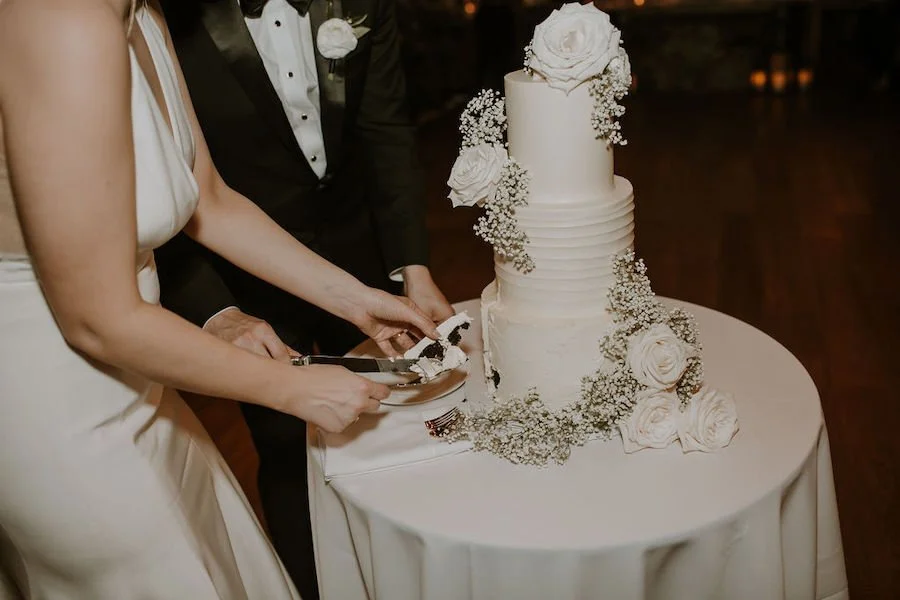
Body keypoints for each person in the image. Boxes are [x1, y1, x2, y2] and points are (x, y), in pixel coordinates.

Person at [0, 0, 440, 597]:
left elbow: (209, 200)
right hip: (59, 399)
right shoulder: (62, 19)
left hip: (141, 376)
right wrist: (290, 387)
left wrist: (355, 299)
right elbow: (95, 320)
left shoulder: (144, 13)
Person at [155, 1, 454, 596]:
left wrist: (411, 268)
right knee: (285, 451)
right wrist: (215, 311)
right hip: (242, 281)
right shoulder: (170, 18)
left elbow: (386, 131)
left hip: (357, 258)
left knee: (396, 426)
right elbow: (171, 195)